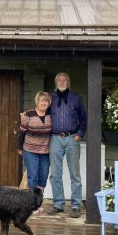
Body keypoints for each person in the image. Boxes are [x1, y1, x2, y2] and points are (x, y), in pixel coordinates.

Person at [46, 72, 87, 218]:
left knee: (74, 174)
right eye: (59, 80)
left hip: (71, 138)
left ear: (68, 82)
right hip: (55, 139)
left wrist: (79, 134)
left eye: (64, 80)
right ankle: (58, 204)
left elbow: (84, 118)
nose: (62, 82)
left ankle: (76, 205)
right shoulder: (50, 98)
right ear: (55, 82)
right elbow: (42, 113)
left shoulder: (76, 98)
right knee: (55, 174)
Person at [18, 91, 52, 191]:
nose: (44, 103)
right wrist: (19, 147)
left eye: (46, 101)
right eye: (42, 100)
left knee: (43, 178)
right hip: (30, 150)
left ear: (49, 103)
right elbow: (22, 132)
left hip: (45, 151)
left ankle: (38, 202)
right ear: (37, 101)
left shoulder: (51, 115)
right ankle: (32, 205)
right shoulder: (28, 114)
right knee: (32, 178)